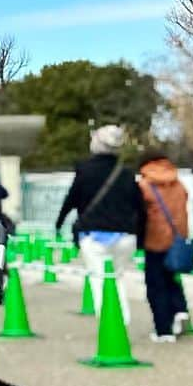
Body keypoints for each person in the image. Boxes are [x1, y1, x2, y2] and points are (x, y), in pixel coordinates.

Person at [55, 125, 144, 321]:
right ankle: (123, 321)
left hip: (93, 235)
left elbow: (71, 200)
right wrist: (142, 236)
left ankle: (108, 326)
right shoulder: (127, 173)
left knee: (98, 278)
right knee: (118, 277)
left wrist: (59, 224)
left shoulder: (85, 170)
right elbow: (140, 206)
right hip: (125, 237)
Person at [137, 151, 192, 341]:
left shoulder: (144, 185)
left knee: (155, 285)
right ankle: (180, 310)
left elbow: (140, 213)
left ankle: (163, 331)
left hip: (154, 240)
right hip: (177, 239)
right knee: (172, 279)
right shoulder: (178, 184)